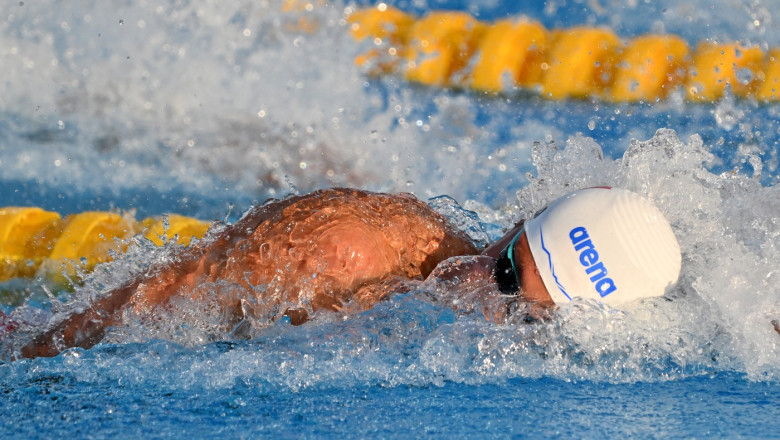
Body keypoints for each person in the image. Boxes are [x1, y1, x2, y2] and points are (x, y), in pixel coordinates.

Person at [15, 186, 682, 359]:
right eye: (505, 264)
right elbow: (150, 304)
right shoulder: (345, 251)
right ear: (514, 225)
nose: (480, 285)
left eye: (519, 308)